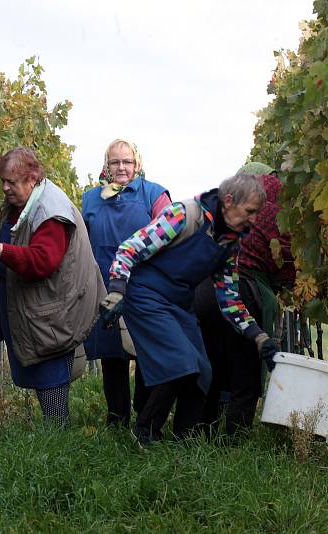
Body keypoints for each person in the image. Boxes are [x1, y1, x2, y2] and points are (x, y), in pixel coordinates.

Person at [100, 174, 280, 446]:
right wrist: (115, 290)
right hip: (146, 294)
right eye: (250, 212)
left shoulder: (230, 244)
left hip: (178, 303)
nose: (254, 221)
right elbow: (129, 248)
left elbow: (229, 299)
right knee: (180, 363)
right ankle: (145, 434)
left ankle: (183, 443)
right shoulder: (184, 215)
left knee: (202, 371)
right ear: (229, 201)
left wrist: (259, 337)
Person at [0, 147, 105, 424]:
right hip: (34, 312)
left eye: (12, 181)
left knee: (52, 382)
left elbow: (43, 262)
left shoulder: (50, 212)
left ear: (32, 178)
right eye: (3, 181)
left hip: (52, 315)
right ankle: (50, 441)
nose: (5, 187)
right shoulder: (19, 204)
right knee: (40, 377)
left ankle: (58, 448)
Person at [193, 162, 295, 437]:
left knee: (212, 364)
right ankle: (234, 440)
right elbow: (285, 262)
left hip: (205, 287)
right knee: (245, 369)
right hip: (244, 289)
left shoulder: (230, 206)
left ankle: (202, 433)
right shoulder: (275, 210)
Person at [81, 139, 170, 427]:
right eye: (115, 162)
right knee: (111, 353)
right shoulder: (91, 199)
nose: (121, 167)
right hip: (106, 285)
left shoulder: (153, 194)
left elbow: (171, 232)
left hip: (145, 286)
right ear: (106, 165)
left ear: (137, 165)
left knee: (146, 349)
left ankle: (145, 413)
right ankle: (116, 417)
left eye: (127, 161)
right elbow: (81, 241)